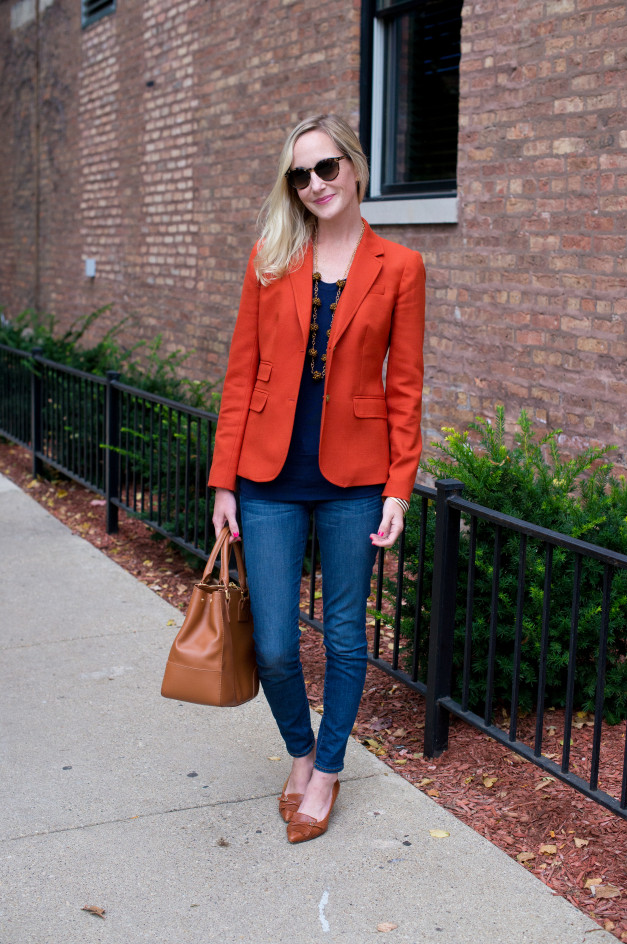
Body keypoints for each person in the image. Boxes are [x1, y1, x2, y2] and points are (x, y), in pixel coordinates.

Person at [209, 114, 425, 843]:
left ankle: (326, 769)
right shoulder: (271, 257)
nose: (315, 185)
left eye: (326, 168)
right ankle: (298, 751)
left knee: (342, 635)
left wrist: (399, 486)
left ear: (356, 168)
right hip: (266, 477)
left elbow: (406, 389)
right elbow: (241, 376)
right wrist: (223, 483)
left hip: (355, 479)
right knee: (272, 643)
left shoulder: (400, 267)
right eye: (300, 175)